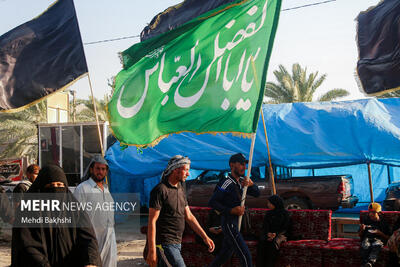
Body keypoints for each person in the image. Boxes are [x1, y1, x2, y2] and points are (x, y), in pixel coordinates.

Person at [11, 164, 101, 267]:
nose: (56, 190)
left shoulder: (74, 209)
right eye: (50, 186)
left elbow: (88, 239)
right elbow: (27, 245)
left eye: (60, 185)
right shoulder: (27, 211)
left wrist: (91, 261)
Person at [146, 155, 215, 267]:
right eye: (186, 170)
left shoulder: (180, 189)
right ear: (175, 170)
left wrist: (205, 237)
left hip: (176, 242)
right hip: (164, 244)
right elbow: (152, 221)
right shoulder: (160, 190)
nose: (188, 174)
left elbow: (189, 216)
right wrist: (152, 250)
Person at [208, 153, 260, 267]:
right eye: (241, 164)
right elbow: (213, 202)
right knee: (245, 256)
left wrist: (251, 185)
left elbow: (257, 193)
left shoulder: (242, 182)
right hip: (229, 224)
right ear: (232, 165)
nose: (244, 167)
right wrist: (230, 210)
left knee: (224, 256)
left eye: (244, 164)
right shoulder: (226, 182)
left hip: (237, 224)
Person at [74, 155, 117, 267]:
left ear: (106, 172)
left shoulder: (106, 189)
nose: (100, 172)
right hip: (92, 239)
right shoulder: (82, 188)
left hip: (109, 238)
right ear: (91, 169)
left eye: (103, 169)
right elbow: (76, 217)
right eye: (97, 168)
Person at [256, 195, 290, 267]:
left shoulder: (284, 214)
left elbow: (286, 228)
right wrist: (268, 233)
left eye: (269, 203)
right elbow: (265, 226)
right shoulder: (269, 213)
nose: (268, 205)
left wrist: (276, 234)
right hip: (269, 234)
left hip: (281, 234)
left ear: (275, 203)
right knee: (262, 242)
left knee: (273, 244)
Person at [359, 202, 391, 267]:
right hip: (367, 238)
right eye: (369, 212)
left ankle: (370, 263)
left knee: (377, 245)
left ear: (378, 213)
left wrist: (380, 233)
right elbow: (360, 235)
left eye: (373, 212)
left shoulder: (383, 223)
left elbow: (388, 237)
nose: (370, 214)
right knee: (365, 245)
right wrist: (362, 229)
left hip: (378, 239)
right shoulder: (366, 220)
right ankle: (365, 263)